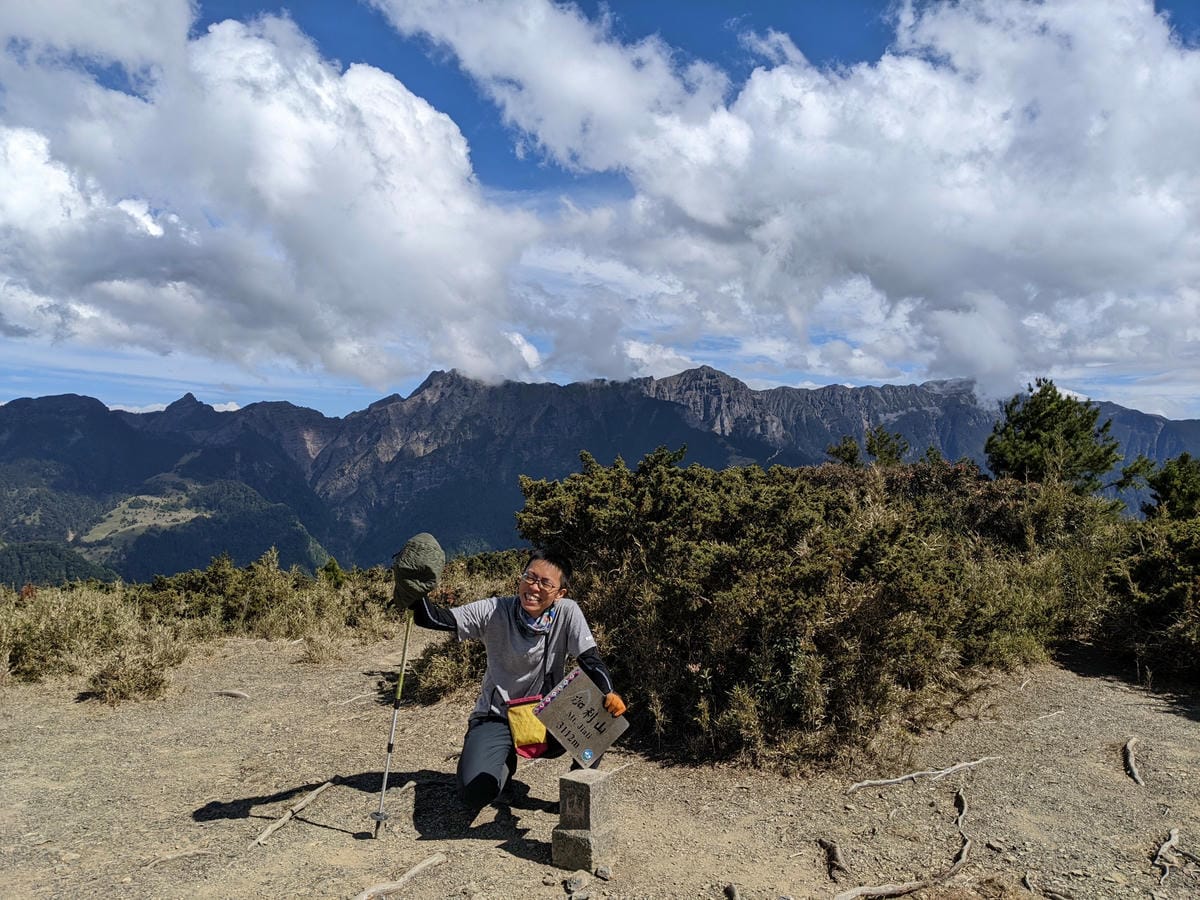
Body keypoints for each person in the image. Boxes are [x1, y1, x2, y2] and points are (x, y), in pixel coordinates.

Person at [390, 534, 626, 809]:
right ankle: (501, 766)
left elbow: (590, 660)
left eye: (545, 583)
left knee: (602, 717)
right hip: (497, 716)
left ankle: (576, 797)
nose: (533, 587)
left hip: (547, 715)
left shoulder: (567, 612)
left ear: (560, 593)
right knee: (476, 793)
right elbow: (433, 618)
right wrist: (413, 589)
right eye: (530, 576)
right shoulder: (494, 610)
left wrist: (608, 692)